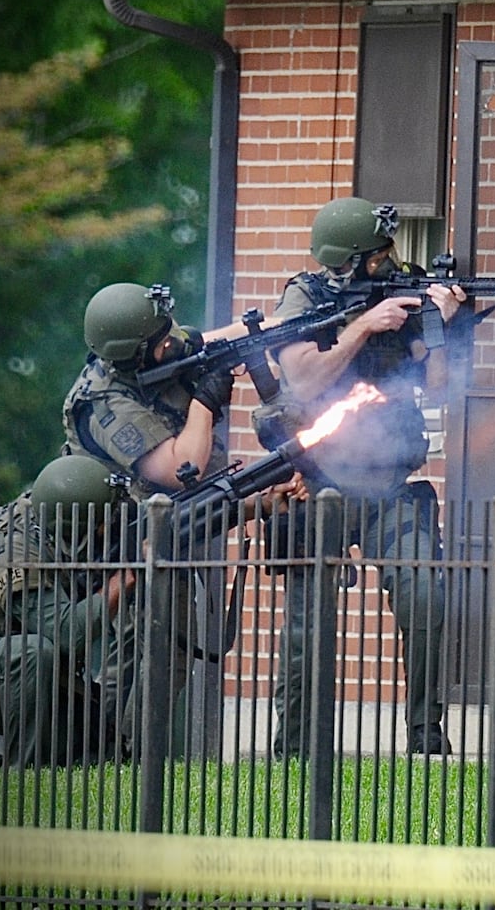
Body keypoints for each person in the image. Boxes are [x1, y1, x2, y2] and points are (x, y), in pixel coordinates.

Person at [265, 196, 466, 757]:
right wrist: (362, 327)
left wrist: (437, 324)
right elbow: (302, 379)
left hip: (393, 484)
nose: (392, 260)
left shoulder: (407, 287)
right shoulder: (305, 296)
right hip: (320, 486)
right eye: (379, 255)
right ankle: (295, 747)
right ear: (349, 261)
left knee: (426, 594)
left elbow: (441, 386)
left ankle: (427, 736)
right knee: (308, 623)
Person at [59, 281, 294, 754]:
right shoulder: (103, 405)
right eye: (162, 342)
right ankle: (123, 755)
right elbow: (178, 469)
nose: (173, 343)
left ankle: (116, 754)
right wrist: (206, 401)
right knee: (149, 654)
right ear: (134, 354)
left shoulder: (156, 345)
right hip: (121, 541)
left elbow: (211, 340)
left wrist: (286, 331)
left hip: (166, 531)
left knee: (153, 656)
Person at [0, 455, 135, 766]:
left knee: (96, 754)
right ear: (77, 524)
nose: (105, 529)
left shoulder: (54, 515)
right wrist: (118, 584)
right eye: (100, 524)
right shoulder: (17, 547)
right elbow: (65, 632)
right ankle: (22, 772)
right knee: (33, 650)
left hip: (47, 665)